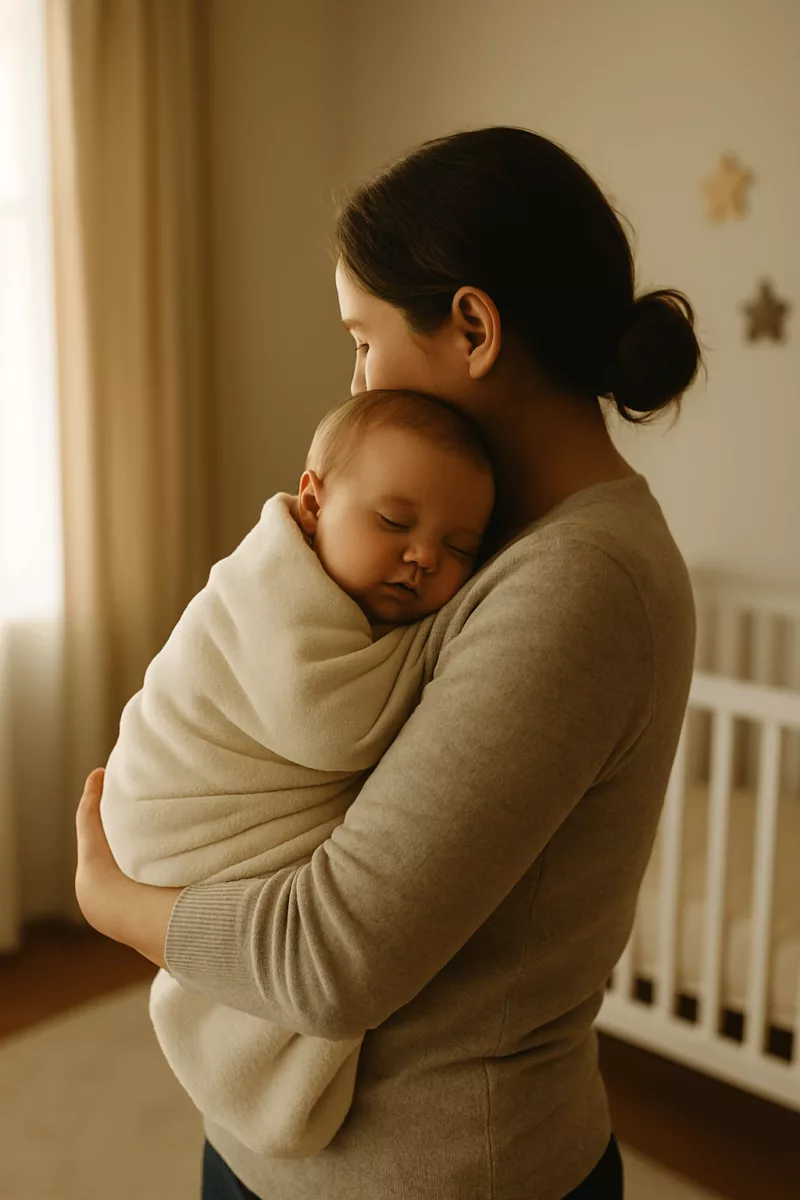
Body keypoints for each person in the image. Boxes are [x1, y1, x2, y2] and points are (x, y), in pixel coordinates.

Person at [74, 125, 702, 1200]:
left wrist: (112, 900)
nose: (356, 378)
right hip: (297, 1150)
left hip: (434, 1168)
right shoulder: (490, 546)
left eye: (361, 339)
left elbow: (331, 957)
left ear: (470, 325)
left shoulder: (578, 584)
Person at [98, 387, 495, 1159]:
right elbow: (331, 724)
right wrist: (445, 632)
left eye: (461, 550)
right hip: (175, 811)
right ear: (312, 502)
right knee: (303, 949)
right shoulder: (271, 593)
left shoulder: (350, 601)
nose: (423, 556)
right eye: (394, 521)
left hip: (192, 813)